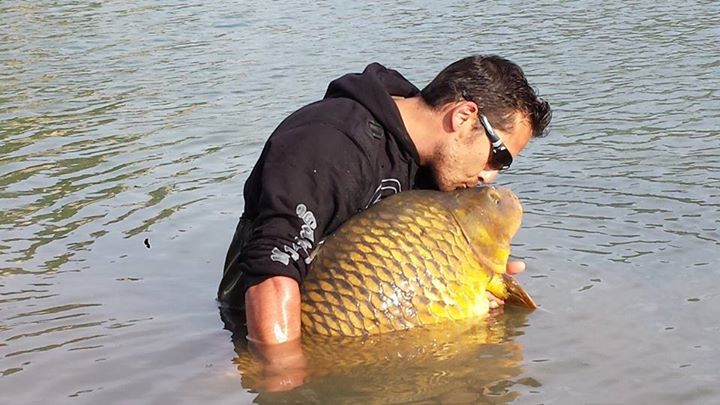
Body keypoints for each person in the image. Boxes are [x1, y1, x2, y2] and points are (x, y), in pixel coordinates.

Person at [219, 55, 552, 347]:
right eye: (499, 156)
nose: (489, 176)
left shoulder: (434, 170)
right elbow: (273, 267)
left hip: (365, 328)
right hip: (255, 331)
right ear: (463, 117)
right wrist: (283, 377)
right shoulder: (327, 141)